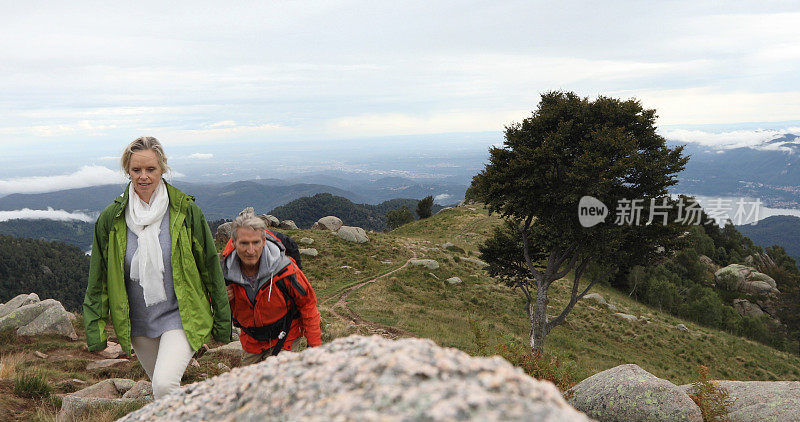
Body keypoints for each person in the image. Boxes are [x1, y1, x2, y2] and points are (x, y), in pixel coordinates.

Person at [83, 136, 231, 399]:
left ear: (162, 168)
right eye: (136, 170)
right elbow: (99, 280)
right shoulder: (111, 220)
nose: (143, 176)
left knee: (163, 386)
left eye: (150, 169)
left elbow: (210, 267)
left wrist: (222, 322)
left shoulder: (185, 212)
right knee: (166, 392)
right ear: (127, 171)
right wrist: (95, 332)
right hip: (138, 324)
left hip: (179, 315)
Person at [221, 212, 321, 364]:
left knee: (277, 383)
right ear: (234, 243)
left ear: (264, 241)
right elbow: (213, 310)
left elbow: (308, 305)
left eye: (255, 242)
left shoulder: (286, 270)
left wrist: (314, 348)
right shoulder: (225, 273)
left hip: (285, 336)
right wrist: (221, 299)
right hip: (251, 341)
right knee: (249, 386)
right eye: (244, 243)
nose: (250, 250)